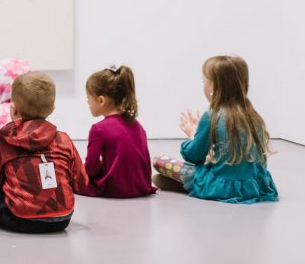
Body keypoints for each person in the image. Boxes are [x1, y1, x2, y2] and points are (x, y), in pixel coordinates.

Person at [0, 72, 87, 233]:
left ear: (13, 110)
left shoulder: (4, 139)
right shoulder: (64, 139)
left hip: (21, 219)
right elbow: (81, 183)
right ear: (52, 109)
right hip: (62, 220)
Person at [152, 56, 278, 204]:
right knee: (167, 176)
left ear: (213, 86)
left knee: (158, 162)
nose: (203, 85)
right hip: (255, 187)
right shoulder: (253, 116)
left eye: (204, 81)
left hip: (221, 187)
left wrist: (193, 134)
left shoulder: (212, 116)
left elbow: (193, 156)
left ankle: (194, 186)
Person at [80, 65, 156, 198]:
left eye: (88, 98)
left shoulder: (98, 129)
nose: (87, 102)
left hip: (116, 189)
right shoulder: (136, 124)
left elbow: (91, 168)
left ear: (101, 100)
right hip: (141, 186)